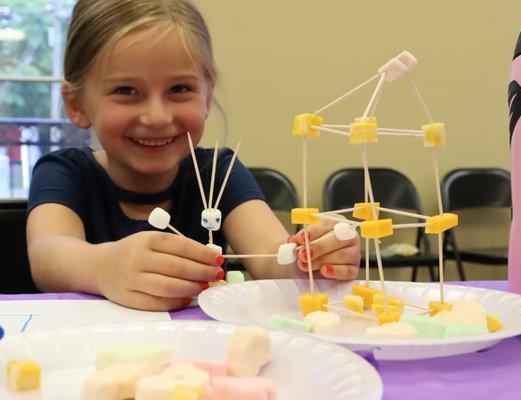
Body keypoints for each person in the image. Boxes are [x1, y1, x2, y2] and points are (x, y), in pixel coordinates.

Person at [27, 0, 360, 311]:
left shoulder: (219, 172)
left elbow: (272, 258)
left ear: (206, 98)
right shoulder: (64, 172)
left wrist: (313, 254)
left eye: (179, 89)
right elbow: (47, 256)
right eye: (126, 91)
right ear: (77, 105)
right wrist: (104, 267)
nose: (157, 116)